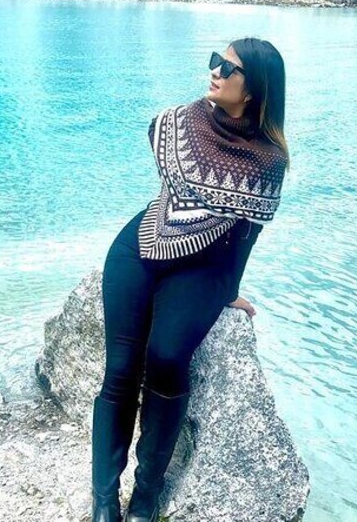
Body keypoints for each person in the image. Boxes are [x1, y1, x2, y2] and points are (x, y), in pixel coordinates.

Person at [91, 37, 291, 522]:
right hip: (143, 240)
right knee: (121, 369)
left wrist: (229, 290)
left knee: (166, 357)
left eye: (229, 68)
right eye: (215, 61)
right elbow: (168, 182)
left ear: (254, 90)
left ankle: (146, 495)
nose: (215, 71)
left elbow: (248, 230)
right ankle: (103, 500)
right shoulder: (179, 122)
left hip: (206, 260)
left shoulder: (268, 160)